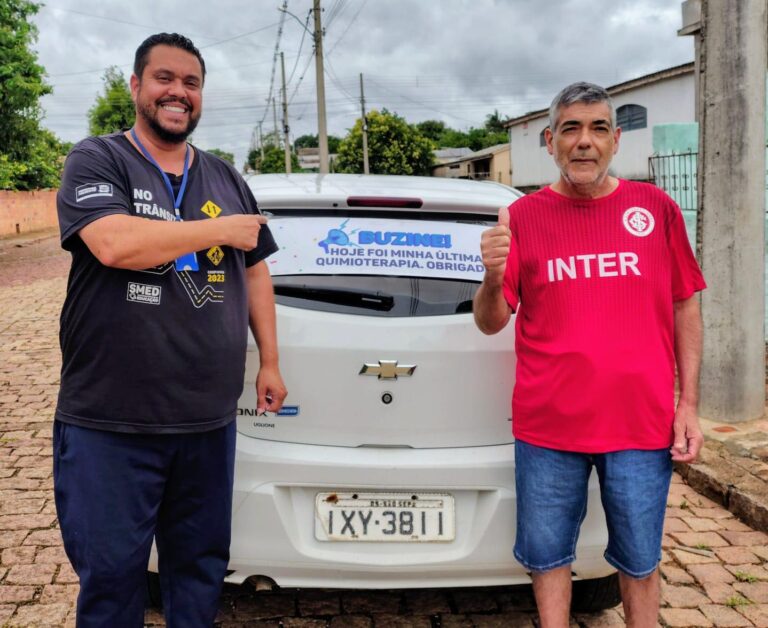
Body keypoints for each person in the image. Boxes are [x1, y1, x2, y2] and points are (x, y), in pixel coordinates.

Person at [53, 32, 287, 627]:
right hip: (111, 421)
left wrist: (270, 360)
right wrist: (219, 231)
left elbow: (254, 270)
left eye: (191, 83)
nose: (178, 92)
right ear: (136, 86)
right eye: (164, 78)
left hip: (206, 422)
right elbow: (113, 243)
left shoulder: (226, 179)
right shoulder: (98, 159)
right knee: (111, 576)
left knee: (199, 571)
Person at [473, 82, 705, 627]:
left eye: (598, 128)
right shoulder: (523, 218)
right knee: (547, 555)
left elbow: (685, 305)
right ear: (549, 141)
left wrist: (689, 404)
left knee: (640, 558)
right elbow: (490, 321)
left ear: (616, 139)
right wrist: (492, 275)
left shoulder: (656, 209)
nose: (584, 141)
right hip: (548, 427)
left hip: (640, 424)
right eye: (571, 129)